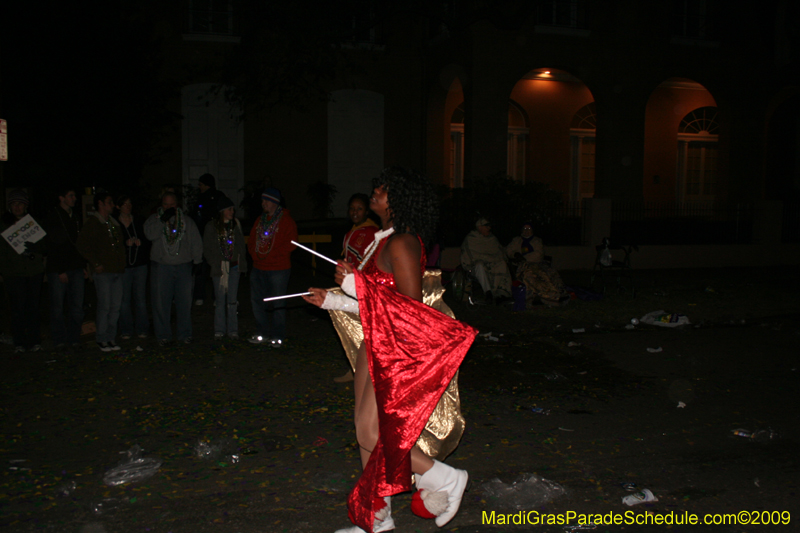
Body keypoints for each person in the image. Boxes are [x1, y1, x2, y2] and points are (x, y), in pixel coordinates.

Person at [303, 167, 477, 533]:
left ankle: (443, 477)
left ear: (397, 201)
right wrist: (333, 301)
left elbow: (410, 307)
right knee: (364, 429)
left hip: (395, 346)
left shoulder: (402, 243)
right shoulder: (380, 240)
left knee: (372, 432)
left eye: (381, 192)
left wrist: (355, 285)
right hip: (376, 339)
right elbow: (375, 301)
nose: (374, 197)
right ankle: (376, 519)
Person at [144, 191, 203, 346]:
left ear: (177, 205)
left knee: (184, 304)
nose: (169, 207)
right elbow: (149, 235)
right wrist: (162, 221)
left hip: (183, 267)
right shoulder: (154, 220)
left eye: (172, 205)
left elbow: (196, 241)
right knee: (161, 304)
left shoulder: (186, 222)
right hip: (162, 267)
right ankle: (163, 335)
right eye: (165, 204)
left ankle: (185, 334)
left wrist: (197, 261)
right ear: (161, 205)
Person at [334, 192, 379, 383]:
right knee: (352, 327)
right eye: (352, 209)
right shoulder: (353, 231)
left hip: (362, 285)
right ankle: (355, 368)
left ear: (366, 211)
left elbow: (369, 262)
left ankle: (363, 370)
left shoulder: (370, 232)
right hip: (350, 284)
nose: (355, 212)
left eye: (359, 209)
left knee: (363, 329)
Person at [247, 187, 297, 347]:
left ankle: (277, 335)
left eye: (266, 201)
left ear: (274, 202)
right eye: (262, 201)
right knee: (257, 302)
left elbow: (291, 243)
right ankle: (262, 332)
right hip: (259, 267)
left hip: (278, 269)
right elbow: (252, 240)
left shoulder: (286, 221)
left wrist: (273, 255)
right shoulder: (260, 220)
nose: (263, 204)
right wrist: (256, 255)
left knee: (277, 303)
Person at [77, 190, 126, 352]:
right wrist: (95, 263)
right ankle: (101, 338)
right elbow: (83, 245)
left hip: (117, 271)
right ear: (100, 204)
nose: (112, 205)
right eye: (109, 202)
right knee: (105, 306)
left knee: (115, 306)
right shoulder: (93, 223)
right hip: (104, 272)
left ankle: (110, 337)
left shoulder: (113, 222)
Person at [0, 189, 45, 353]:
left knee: (33, 307)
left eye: (20, 204)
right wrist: (6, 271)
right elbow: (2, 252)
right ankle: (19, 342)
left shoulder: (35, 223)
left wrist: (37, 251)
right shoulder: (4, 225)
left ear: (26, 206)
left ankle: (34, 341)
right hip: (14, 273)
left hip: (33, 272)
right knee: (17, 309)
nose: (17, 207)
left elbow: (45, 245)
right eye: (13, 204)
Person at [43, 187, 87, 351]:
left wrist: (82, 265)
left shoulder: (75, 217)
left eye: (74, 195)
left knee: (77, 306)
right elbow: (53, 245)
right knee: (57, 307)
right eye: (71, 196)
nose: (74, 198)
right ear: (61, 198)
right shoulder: (53, 217)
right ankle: (59, 339)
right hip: (59, 269)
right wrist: (60, 270)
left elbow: (79, 244)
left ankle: (74, 337)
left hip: (76, 267)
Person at [203, 195, 246, 339]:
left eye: (233, 209)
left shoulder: (236, 224)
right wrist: (215, 263)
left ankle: (233, 330)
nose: (232, 211)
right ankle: (219, 329)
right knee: (220, 300)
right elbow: (207, 247)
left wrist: (241, 262)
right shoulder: (212, 226)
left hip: (234, 267)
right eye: (229, 209)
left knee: (232, 300)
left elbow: (241, 246)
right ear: (222, 211)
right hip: (219, 268)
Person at [506, 222, 567, 306]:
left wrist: (523, 257)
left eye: (529, 229)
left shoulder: (537, 241)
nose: (526, 231)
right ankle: (545, 296)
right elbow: (509, 251)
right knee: (532, 276)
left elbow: (538, 254)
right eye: (525, 229)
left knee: (550, 274)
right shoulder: (516, 240)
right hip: (523, 265)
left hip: (537, 263)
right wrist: (515, 254)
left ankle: (559, 293)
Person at [116, 195, 150, 339]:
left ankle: (142, 328)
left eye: (129, 203)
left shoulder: (139, 221)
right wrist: (125, 244)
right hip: (124, 266)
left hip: (140, 264)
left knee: (140, 299)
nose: (128, 206)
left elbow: (148, 240)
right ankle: (126, 329)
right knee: (124, 300)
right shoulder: (115, 223)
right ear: (118, 207)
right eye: (124, 204)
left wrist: (141, 243)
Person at [460, 217, 512, 304]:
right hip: (475, 266)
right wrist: (488, 259)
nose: (489, 228)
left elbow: (500, 253)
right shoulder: (471, 239)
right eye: (486, 226)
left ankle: (502, 293)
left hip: (492, 264)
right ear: (479, 227)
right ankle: (488, 292)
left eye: (489, 226)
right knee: (479, 265)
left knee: (502, 264)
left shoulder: (492, 239)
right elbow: (472, 257)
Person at [192, 173, 222, 306]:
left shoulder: (217, 197)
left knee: (209, 266)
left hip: (212, 237)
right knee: (203, 265)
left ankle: (208, 296)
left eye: (201, 185)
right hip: (203, 236)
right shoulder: (201, 198)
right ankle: (204, 296)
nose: (199, 187)